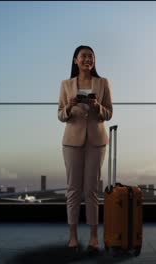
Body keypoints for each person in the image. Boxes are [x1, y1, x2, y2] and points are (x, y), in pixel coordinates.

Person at [57, 45, 113, 253]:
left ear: (94, 61)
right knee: (73, 190)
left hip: (96, 142)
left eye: (91, 56)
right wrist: (70, 105)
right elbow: (60, 115)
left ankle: (93, 237)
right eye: (83, 56)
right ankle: (72, 236)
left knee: (91, 191)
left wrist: (97, 106)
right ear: (75, 60)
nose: (87, 59)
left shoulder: (103, 83)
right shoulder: (66, 84)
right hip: (72, 141)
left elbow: (108, 114)